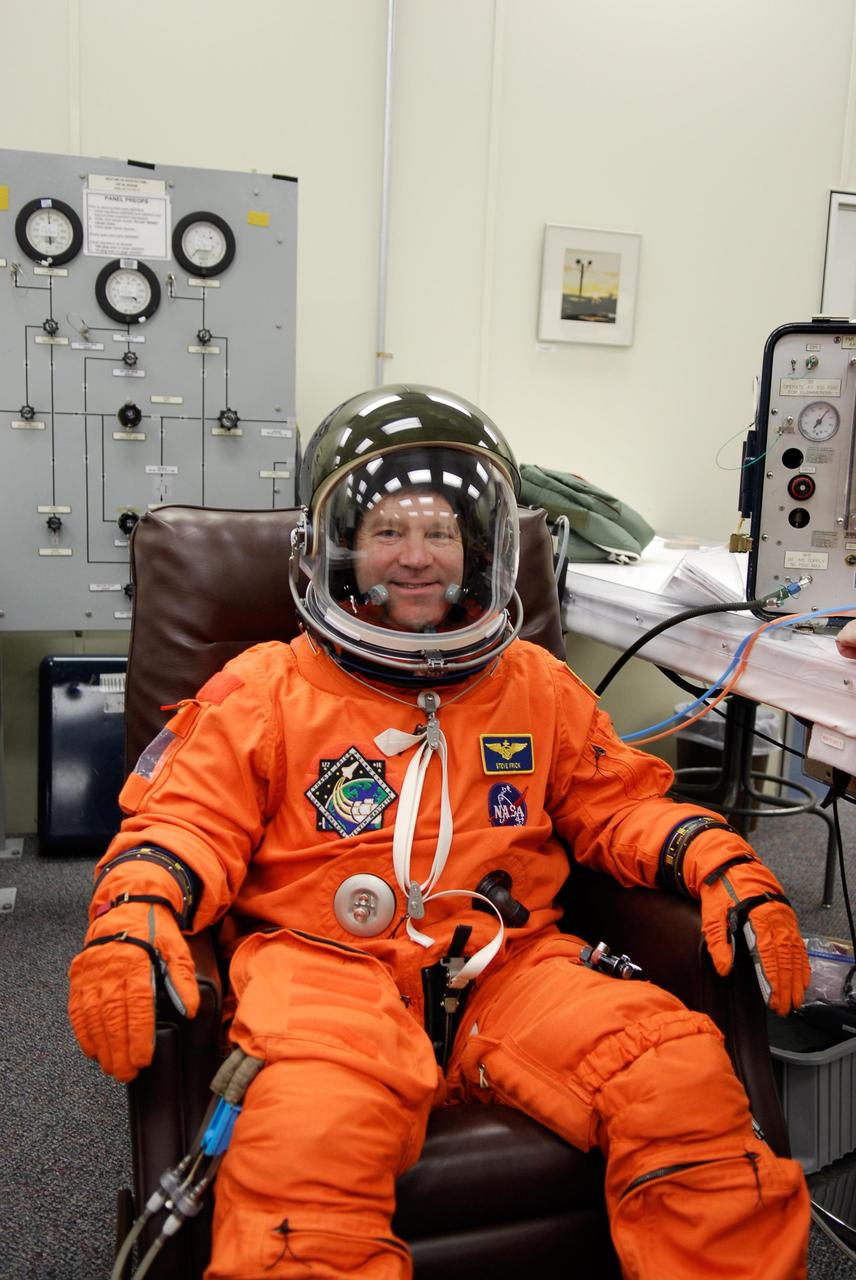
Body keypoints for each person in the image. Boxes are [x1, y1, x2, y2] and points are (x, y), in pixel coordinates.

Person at [68, 385, 811, 1279]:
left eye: (439, 533)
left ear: (479, 553)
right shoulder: (264, 689)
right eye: (388, 531)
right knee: (304, 1149)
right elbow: (187, 821)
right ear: (336, 550)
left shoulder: (534, 683)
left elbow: (619, 804)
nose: (415, 557)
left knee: (678, 1079)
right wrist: (135, 910)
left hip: (511, 967)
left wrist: (720, 857)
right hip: (323, 972)